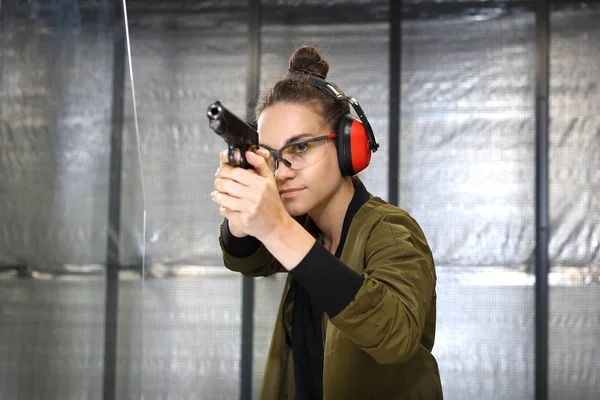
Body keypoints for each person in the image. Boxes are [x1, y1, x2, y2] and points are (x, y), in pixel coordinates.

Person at [211, 45, 442, 400]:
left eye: (300, 148)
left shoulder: (392, 231)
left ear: (349, 146)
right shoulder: (307, 230)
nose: (282, 171)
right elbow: (246, 258)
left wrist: (275, 226)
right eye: (272, 155)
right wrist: (242, 213)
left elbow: (395, 334)